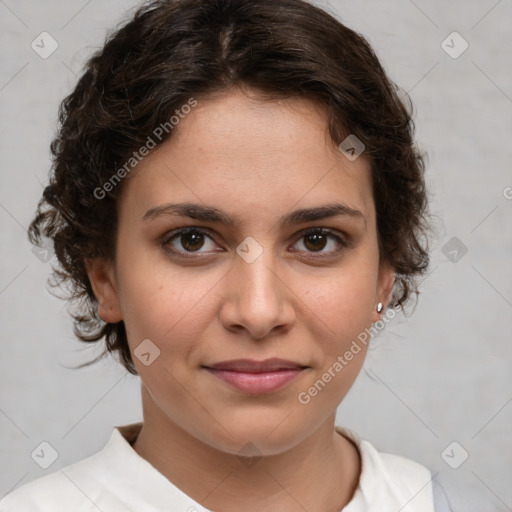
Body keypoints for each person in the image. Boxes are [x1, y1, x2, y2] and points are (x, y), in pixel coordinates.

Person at [0, 0, 455, 510]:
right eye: (191, 240)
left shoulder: (428, 499)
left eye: (316, 240)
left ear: (383, 273)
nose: (259, 313)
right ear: (104, 276)